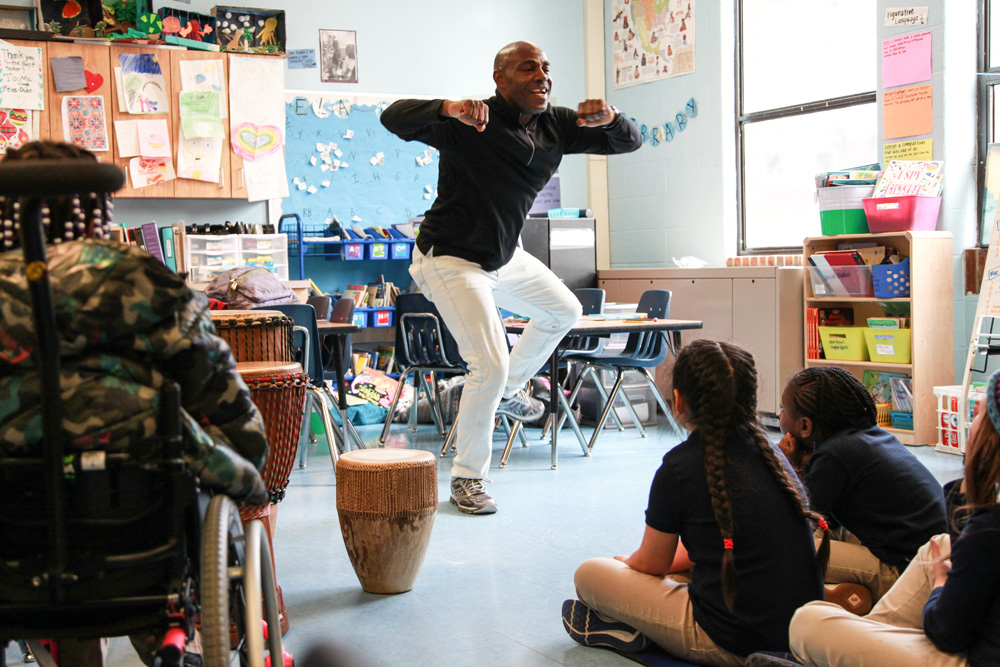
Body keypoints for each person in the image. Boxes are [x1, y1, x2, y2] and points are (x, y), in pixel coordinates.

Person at [0, 141, 269, 665]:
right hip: (137, 526)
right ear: (98, 207)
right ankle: (163, 639)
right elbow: (223, 404)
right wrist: (242, 458)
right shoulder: (140, 278)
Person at [380, 40, 642, 515]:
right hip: (451, 258)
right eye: (528, 68)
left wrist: (612, 118)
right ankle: (467, 478)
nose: (543, 75)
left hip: (503, 255)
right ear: (501, 79)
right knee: (490, 364)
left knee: (565, 309)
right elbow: (393, 117)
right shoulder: (469, 122)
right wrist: (447, 107)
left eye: (545, 68)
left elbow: (629, 141)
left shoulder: (557, 124)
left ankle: (512, 391)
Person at [564, 340, 826, 665]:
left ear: (678, 400)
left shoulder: (680, 466)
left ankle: (640, 632)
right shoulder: (774, 454)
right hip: (799, 633)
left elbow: (652, 564)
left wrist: (627, 565)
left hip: (728, 642)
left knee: (589, 574)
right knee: (688, 572)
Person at [788, 369, 1000, 666]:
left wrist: (940, 587)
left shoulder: (988, 529)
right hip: (912, 562)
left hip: (967, 650)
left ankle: (855, 632)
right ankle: (862, 629)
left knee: (806, 620)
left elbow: (946, 632)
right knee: (937, 545)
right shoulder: (866, 440)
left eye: (978, 415)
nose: (970, 421)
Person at [778, 367, 947, 603]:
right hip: (920, 554)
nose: (779, 415)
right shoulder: (867, 436)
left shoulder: (834, 456)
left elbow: (792, 518)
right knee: (821, 531)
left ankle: (845, 596)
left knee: (785, 550)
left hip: (902, 570)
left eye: (783, 409)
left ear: (805, 426)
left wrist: (786, 463)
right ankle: (840, 588)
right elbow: (826, 518)